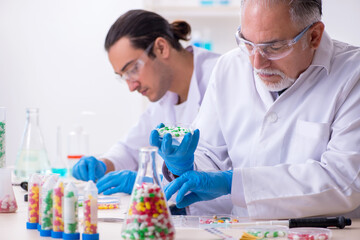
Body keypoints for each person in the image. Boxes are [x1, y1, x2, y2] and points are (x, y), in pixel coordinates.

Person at [151, 0, 360, 219]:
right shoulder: (229, 67)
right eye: (247, 43)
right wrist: (183, 168)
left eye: (274, 47)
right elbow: (211, 155)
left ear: (314, 36)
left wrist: (232, 183)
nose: (257, 63)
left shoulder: (353, 74)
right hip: (243, 231)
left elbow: (344, 180)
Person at [71, 9, 233, 215]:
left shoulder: (222, 77)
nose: (131, 86)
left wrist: (150, 183)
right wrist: (103, 164)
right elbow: (131, 148)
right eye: (123, 76)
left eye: (132, 70)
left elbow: (231, 175)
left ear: (161, 47)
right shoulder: (165, 96)